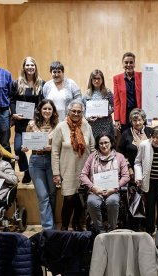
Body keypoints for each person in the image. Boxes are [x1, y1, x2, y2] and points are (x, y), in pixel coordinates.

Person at [52, 99, 95, 231]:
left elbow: (92, 148)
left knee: (81, 200)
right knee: (69, 199)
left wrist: (94, 169)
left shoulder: (87, 126)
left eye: (79, 111)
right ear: (68, 111)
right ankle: (65, 227)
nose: (76, 113)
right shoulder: (60, 127)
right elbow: (54, 151)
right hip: (67, 169)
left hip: (84, 170)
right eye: (74, 111)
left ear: (82, 113)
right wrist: (56, 173)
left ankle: (78, 226)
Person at [80, 133, 130, 232]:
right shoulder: (92, 157)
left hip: (113, 190)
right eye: (101, 143)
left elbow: (126, 176)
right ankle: (100, 230)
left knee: (112, 201)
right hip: (95, 190)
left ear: (111, 143)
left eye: (106, 142)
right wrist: (93, 187)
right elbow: (83, 175)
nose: (104, 145)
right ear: (98, 145)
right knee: (91, 202)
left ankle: (112, 230)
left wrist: (114, 188)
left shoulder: (119, 157)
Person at [23, 99, 59, 230]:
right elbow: (26, 143)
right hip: (36, 161)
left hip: (52, 161)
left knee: (52, 195)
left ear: (53, 111)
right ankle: (48, 229)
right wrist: (25, 147)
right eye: (45, 108)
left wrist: (52, 148)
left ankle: (52, 222)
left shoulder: (58, 125)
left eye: (50, 109)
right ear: (40, 110)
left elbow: (60, 145)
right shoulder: (31, 124)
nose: (47, 111)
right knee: (43, 196)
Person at [11, 56, 45, 183]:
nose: (30, 67)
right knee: (18, 148)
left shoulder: (41, 83)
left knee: (38, 148)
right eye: (27, 65)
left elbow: (43, 103)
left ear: (35, 67)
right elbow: (12, 100)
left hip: (36, 123)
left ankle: (38, 172)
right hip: (21, 122)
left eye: (32, 65)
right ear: (24, 67)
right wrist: (14, 114)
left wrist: (37, 117)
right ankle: (26, 171)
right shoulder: (16, 83)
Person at [118, 108, 153, 180]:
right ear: (131, 121)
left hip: (150, 170)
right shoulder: (126, 134)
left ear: (144, 120)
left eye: (139, 120)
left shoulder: (151, 132)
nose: (137, 123)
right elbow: (120, 154)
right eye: (134, 120)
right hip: (132, 171)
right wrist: (129, 168)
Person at [113, 52, 142, 133]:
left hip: (139, 113)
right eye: (126, 62)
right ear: (123, 64)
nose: (128, 65)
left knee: (140, 138)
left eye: (131, 62)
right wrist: (117, 119)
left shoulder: (141, 76)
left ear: (134, 64)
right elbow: (116, 100)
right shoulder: (117, 78)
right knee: (127, 138)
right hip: (125, 115)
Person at [83, 69, 114, 139]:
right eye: (94, 78)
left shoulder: (108, 92)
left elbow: (114, 106)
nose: (96, 81)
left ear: (102, 79)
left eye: (98, 78)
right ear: (91, 80)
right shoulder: (87, 93)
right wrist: (87, 117)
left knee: (106, 145)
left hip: (106, 124)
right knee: (94, 145)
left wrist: (106, 113)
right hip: (93, 125)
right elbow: (83, 109)